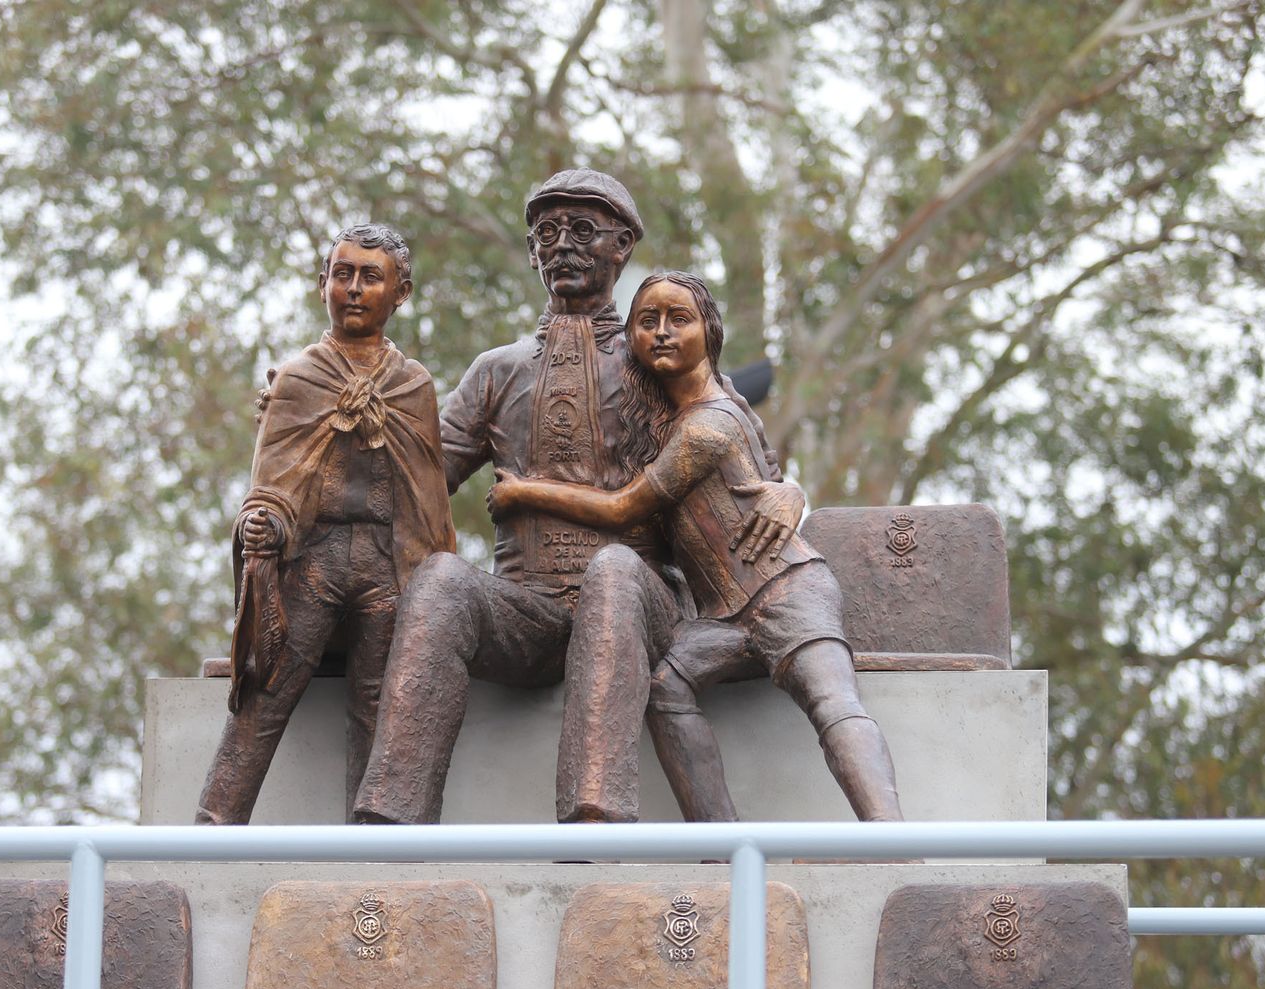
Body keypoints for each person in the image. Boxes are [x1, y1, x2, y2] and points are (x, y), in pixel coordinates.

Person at [350, 170, 805, 826]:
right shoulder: (498, 370)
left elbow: (750, 458)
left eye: (583, 230)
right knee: (443, 579)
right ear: (532, 251)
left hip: (639, 605)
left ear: (622, 246)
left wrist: (791, 492)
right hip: (528, 608)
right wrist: (328, 424)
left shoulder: (660, 354)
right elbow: (415, 480)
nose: (562, 245)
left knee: (613, 571)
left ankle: (596, 819)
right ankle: (389, 824)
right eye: (548, 233)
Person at [488, 270, 904, 823]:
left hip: (786, 590)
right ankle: (722, 847)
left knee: (833, 702)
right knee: (667, 687)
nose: (661, 332)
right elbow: (769, 481)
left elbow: (624, 508)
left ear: (709, 331)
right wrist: (790, 490)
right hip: (724, 617)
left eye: (678, 319)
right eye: (647, 321)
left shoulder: (708, 424)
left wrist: (523, 490)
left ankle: (890, 841)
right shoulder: (668, 416)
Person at [195, 223, 456, 825]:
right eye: (343, 275)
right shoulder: (300, 378)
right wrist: (265, 524)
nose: (355, 289)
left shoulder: (413, 385)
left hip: (388, 566)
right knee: (265, 693)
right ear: (322, 285)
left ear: (401, 292)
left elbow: (427, 500)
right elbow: (273, 482)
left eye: (371, 277)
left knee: (379, 707)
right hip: (315, 561)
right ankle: (211, 832)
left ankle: (370, 855)